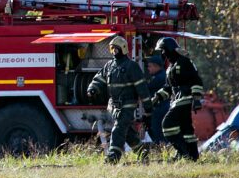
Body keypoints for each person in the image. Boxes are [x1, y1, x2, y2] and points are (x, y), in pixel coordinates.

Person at [87, 35, 152, 164]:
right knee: (126, 132)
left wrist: (148, 107)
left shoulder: (131, 66)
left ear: (123, 49)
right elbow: (99, 78)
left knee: (117, 130)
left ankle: (113, 157)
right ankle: (142, 152)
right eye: (111, 49)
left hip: (127, 104)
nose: (113, 52)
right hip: (113, 106)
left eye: (116, 49)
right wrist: (92, 88)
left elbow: (142, 88)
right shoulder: (110, 65)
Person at [151, 37, 204, 161]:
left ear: (170, 49)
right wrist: (157, 97)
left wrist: (196, 99)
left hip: (184, 99)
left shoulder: (184, 62)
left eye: (164, 50)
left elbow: (196, 80)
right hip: (176, 100)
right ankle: (193, 156)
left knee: (167, 125)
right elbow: (169, 88)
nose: (163, 54)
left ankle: (182, 153)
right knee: (186, 130)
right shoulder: (170, 68)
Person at [145, 54, 169, 143]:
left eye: (150, 66)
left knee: (158, 131)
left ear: (156, 66)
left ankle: (162, 148)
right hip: (161, 107)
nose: (148, 69)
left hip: (160, 108)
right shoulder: (161, 75)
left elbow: (147, 88)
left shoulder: (159, 77)